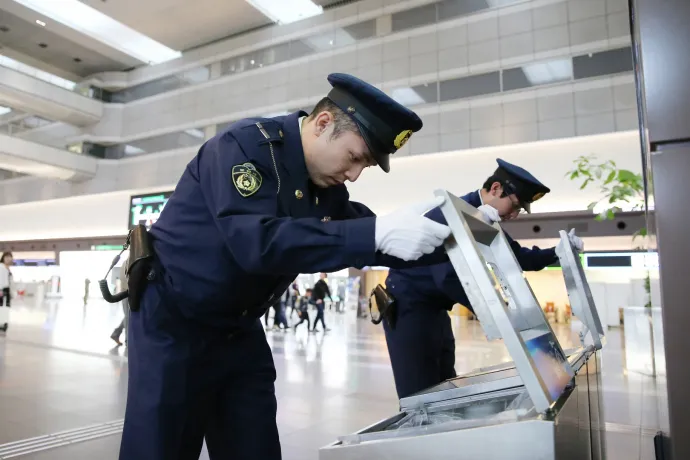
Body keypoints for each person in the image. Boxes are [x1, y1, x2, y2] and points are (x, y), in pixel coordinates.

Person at [119, 72, 453, 460]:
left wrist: (456, 230)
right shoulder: (243, 147)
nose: (354, 174)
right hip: (174, 324)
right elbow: (256, 243)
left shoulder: (327, 191)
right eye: (355, 157)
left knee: (254, 445)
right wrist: (377, 232)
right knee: (161, 447)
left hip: (238, 330)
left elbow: (373, 237)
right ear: (324, 123)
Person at [382, 159, 585, 399]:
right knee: (419, 391)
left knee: (443, 381)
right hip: (409, 308)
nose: (515, 214)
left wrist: (557, 252)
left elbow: (518, 257)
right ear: (497, 189)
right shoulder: (451, 213)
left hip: (434, 308)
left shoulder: (482, 218)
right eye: (515, 205)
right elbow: (445, 276)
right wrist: (497, 311)